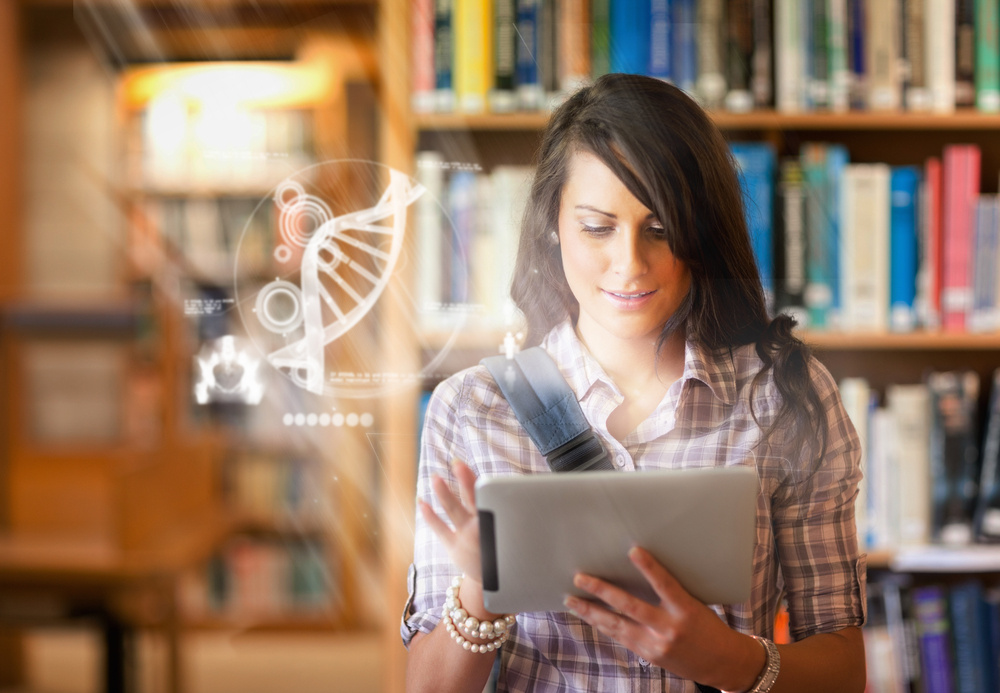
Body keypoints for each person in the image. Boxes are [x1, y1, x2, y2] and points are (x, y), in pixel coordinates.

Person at [401, 73, 867, 693]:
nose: (630, 263)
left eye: (661, 227)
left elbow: (843, 667)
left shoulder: (782, 397)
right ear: (553, 224)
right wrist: (479, 591)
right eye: (598, 227)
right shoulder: (473, 409)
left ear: (701, 232)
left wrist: (723, 657)